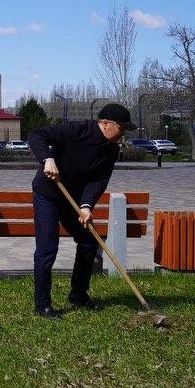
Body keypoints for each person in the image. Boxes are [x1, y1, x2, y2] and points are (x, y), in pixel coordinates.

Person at [27, 103, 136, 319]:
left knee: (88, 241)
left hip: (73, 200)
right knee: (47, 249)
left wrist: (86, 206)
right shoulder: (76, 130)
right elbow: (36, 134)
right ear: (105, 124)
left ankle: (78, 293)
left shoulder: (111, 150)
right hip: (48, 194)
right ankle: (42, 305)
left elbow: (98, 181)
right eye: (121, 128)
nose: (123, 133)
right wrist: (47, 159)